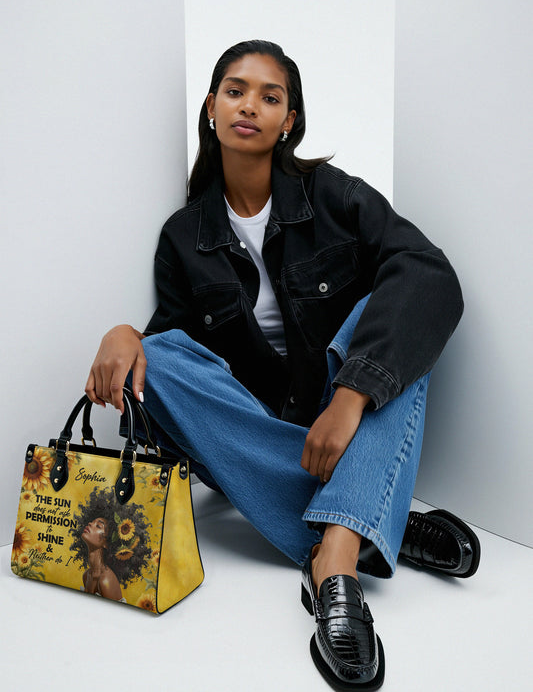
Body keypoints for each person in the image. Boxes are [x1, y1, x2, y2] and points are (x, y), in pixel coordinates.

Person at [85, 40, 480, 690]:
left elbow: (429, 274)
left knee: (393, 309)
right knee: (155, 359)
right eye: (235, 91)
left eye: (270, 97)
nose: (250, 106)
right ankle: (372, 516)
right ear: (211, 107)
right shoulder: (184, 235)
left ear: (289, 120)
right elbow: (183, 362)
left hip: (341, 412)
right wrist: (124, 334)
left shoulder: (334, 196)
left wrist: (352, 395)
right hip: (261, 427)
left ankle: (334, 565)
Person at [70, 488, 152, 603]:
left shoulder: (106, 580)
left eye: (98, 526)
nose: (90, 524)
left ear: (107, 543)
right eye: (92, 522)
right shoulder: (87, 575)